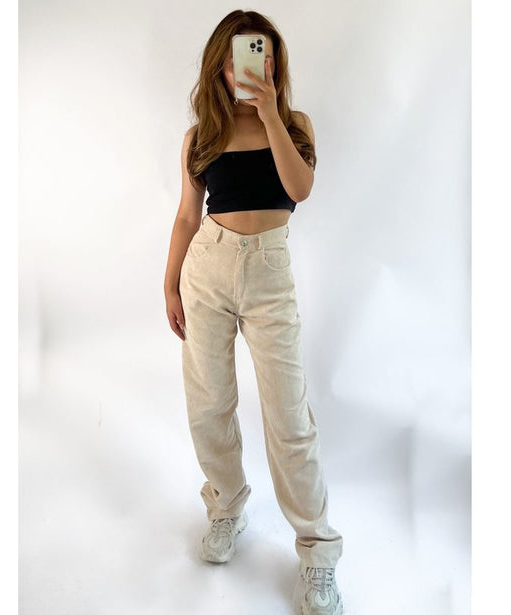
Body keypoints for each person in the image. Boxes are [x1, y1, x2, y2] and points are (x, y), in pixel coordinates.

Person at [163, 10, 344, 615]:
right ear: (220, 65)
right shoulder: (201, 136)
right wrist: (169, 284)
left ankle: (317, 551)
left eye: (258, 55)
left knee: (289, 419)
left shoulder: (293, 125)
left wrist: (268, 113)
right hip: (207, 269)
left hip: (269, 274)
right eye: (235, 58)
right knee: (208, 403)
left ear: (272, 63)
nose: (246, 68)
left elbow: (300, 189)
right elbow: (187, 216)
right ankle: (227, 506)